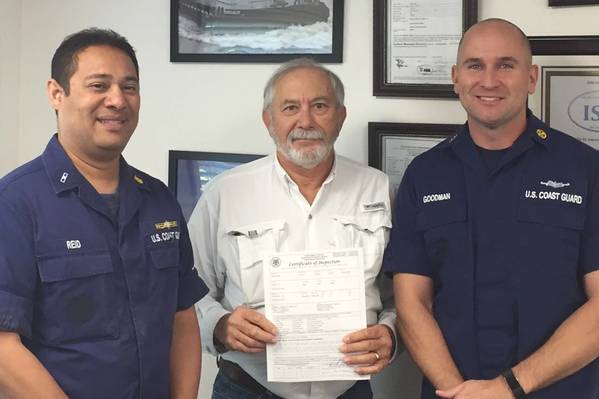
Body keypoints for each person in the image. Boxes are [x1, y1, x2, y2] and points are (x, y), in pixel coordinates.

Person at [384, 18, 599, 399]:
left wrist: (510, 388)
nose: (489, 80)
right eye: (474, 65)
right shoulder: (424, 175)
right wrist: (458, 390)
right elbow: (411, 301)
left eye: (506, 65)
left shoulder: (585, 170)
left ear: (531, 77)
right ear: (455, 78)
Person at [0, 28, 208, 399]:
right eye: (99, 86)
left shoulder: (159, 199)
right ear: (56, 93)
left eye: (129, 87)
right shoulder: (15, 202)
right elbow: (3, 346)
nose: (117, 100)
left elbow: (182, 318)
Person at [189, 58, 397, 399]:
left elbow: (401, 295)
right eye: (290, 108)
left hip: (349, 390)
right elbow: (188, 290)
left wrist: (390, 333)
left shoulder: (378, 189)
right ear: (268, 121)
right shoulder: (226, 193)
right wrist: (220, 325)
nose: (306, 121)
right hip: (247, 388)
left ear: (340, 117)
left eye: (320, 105)